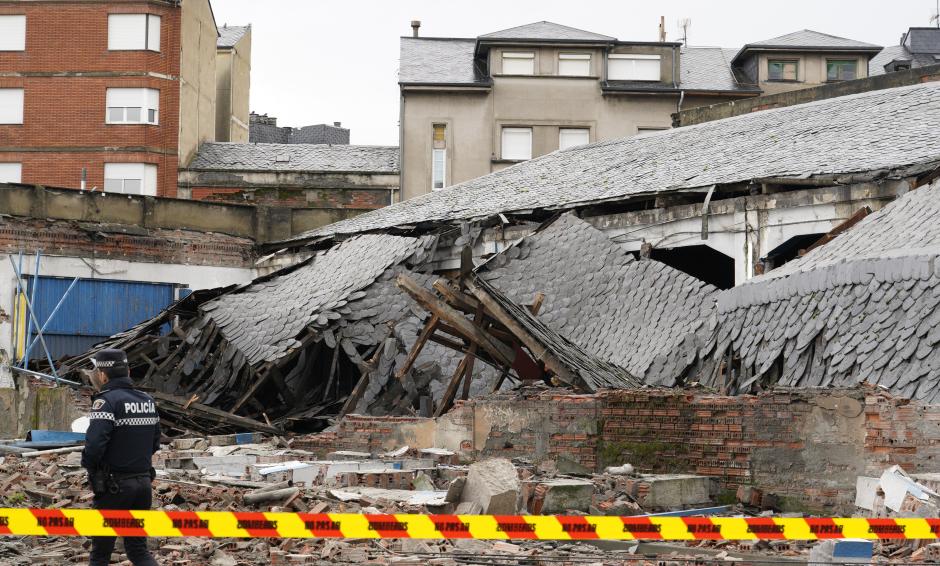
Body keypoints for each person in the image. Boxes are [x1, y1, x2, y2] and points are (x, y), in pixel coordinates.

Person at [81, 348, 161, 566]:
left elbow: (94, 447)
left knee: (100, 554)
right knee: (138, 550)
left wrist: (92, 470)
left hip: (114, 489)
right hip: (143, 485)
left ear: (103, 375)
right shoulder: (147, 401)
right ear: (128, 371)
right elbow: (155, 442)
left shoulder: (105, 402)